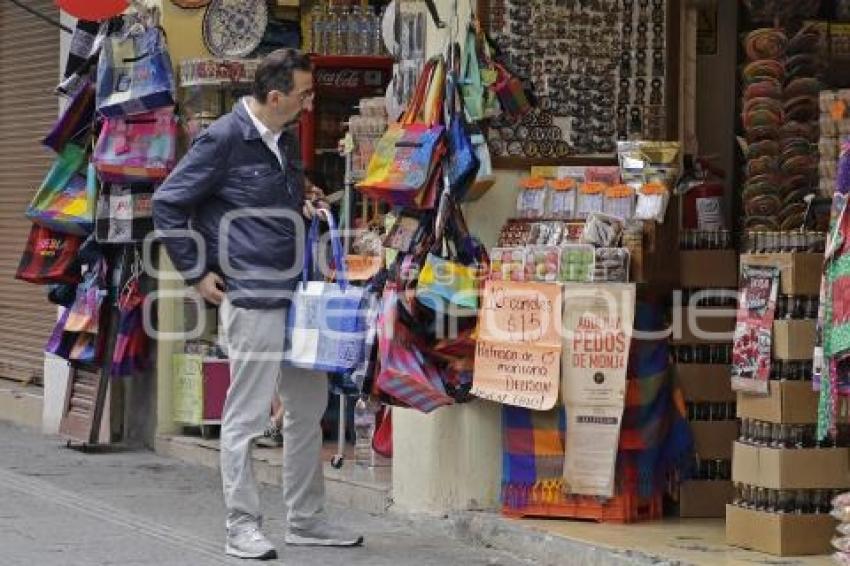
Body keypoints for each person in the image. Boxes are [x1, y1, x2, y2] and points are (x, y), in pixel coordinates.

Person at [153, 48, 363, 560]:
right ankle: (241, 525)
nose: (311, 103)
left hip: (297, 298)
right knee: (245, 417)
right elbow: (168, 203)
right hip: (251, 297)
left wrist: (304, 199)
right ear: (275, 97)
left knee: (307, 409)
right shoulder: (223, 139)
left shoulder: (285, 140)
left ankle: (306, 520)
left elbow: (272, 200)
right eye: (305, 94)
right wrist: (197, 272)